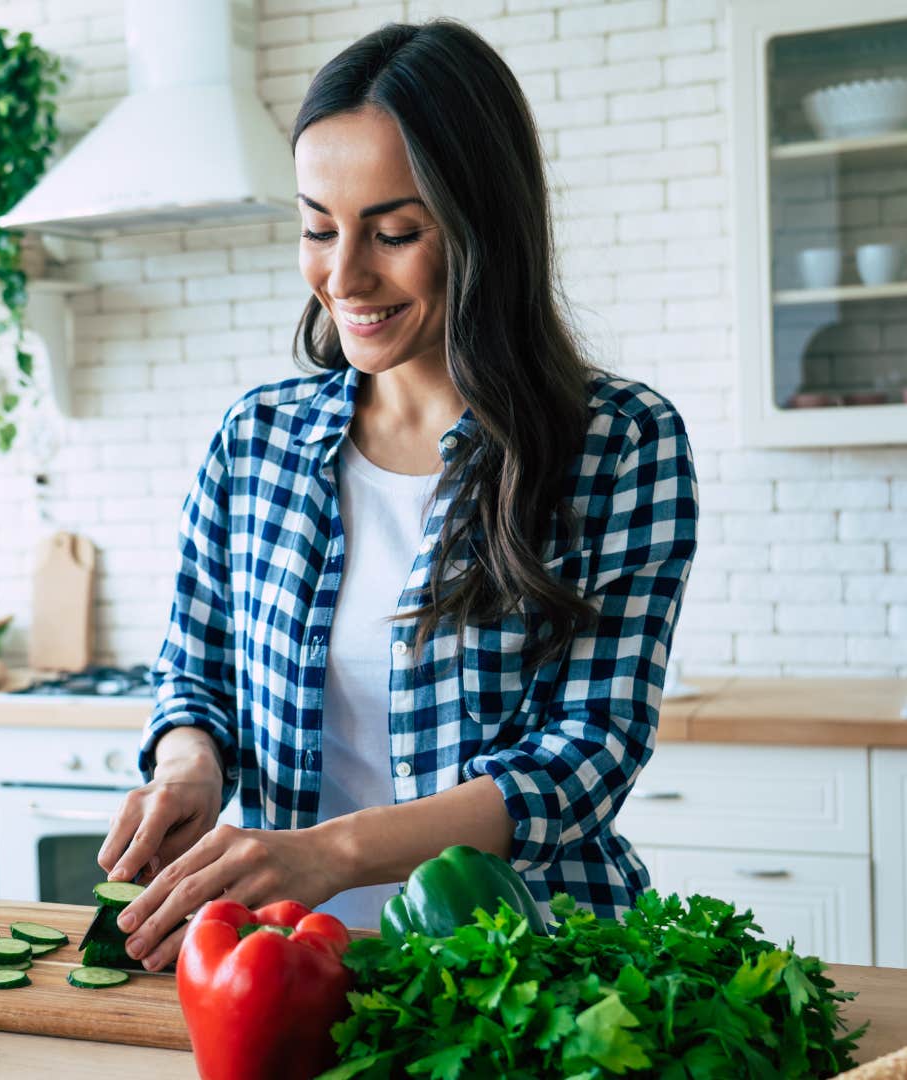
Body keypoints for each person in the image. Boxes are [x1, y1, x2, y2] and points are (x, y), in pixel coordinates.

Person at [96, 19, 699, 972]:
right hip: (290, 965)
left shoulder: (617, 444)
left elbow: (588, 754)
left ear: (480, 225)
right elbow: (194, 675)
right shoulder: (257, 440)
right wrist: (189, 767)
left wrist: (329, 854)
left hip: (533, 970)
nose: (344, 277)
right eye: (317, 228)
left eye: (395, 232)